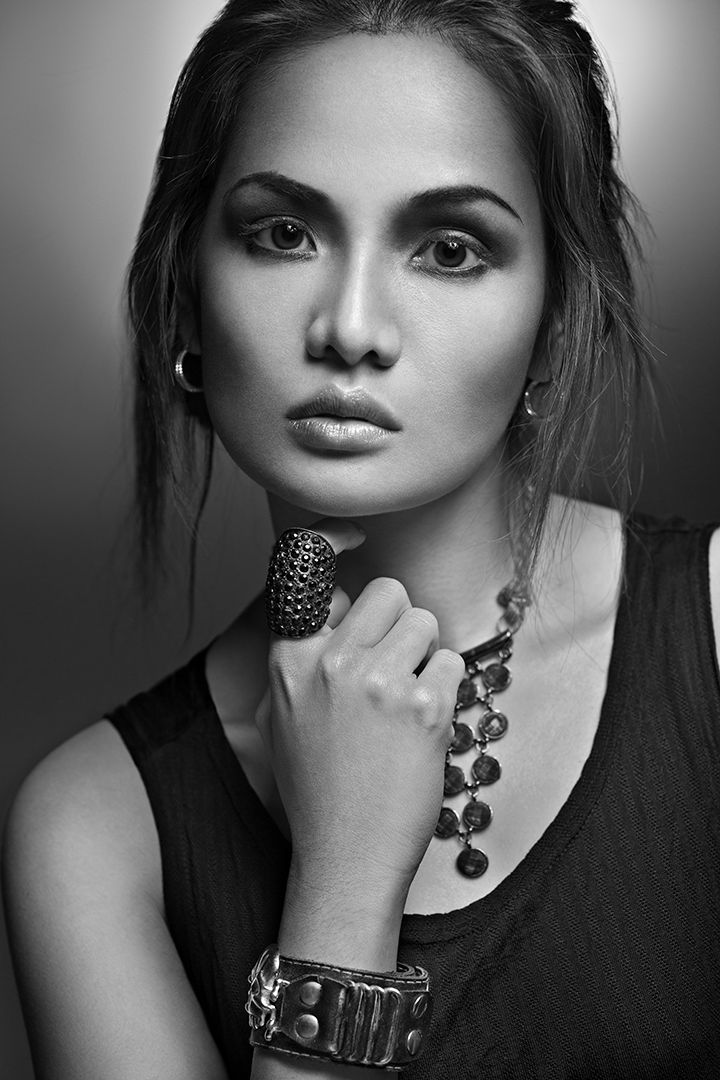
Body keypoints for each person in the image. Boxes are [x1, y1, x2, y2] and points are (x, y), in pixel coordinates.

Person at [3, 0, 719, 1076]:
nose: (348, 326)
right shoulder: (95, 831)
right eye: (282, 234)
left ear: (555, 320)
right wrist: (341, 881)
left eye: (448, 247)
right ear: (186, 296)